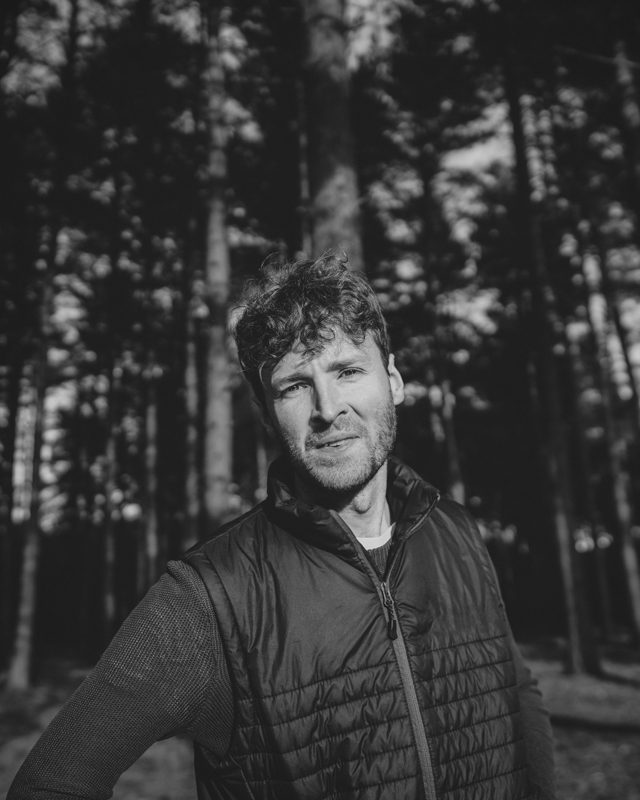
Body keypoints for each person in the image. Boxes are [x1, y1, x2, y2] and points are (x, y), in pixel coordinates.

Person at [8, 255, 556, 799]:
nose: (327, 407)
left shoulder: (457, 530)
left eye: (347, 371)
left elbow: (516, 696)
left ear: (393, 380)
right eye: (295, 385)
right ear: (266, 412)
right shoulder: (211, 594)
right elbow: (52, 784)